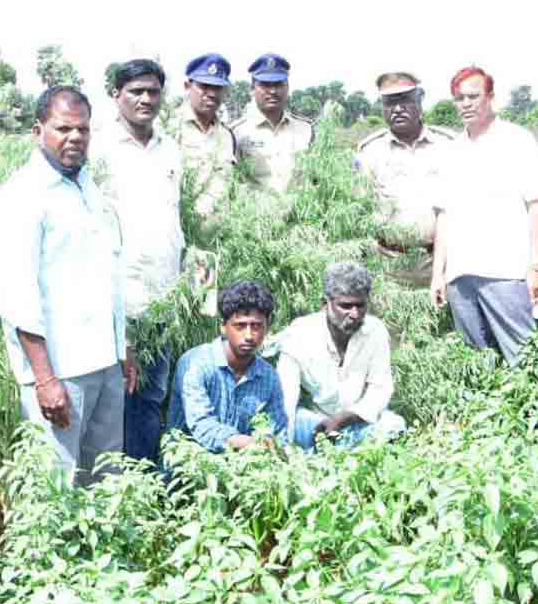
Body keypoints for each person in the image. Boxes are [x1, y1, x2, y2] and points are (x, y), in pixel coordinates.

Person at [0, 86, 134, 486]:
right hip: (61, 370)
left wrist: (122, 349)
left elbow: (109, 275)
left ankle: (101, 550)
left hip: (103, 362)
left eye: (82, 130)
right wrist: (46, 380)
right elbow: (17, 296)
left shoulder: (89, 189)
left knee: (105, 479)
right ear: (38, 132)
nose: (74, 138)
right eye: (63, 129)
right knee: (56, 484)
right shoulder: (21, 197)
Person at [89, 60, 184, 463]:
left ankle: (143, 482)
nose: (146, 99)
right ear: (116, 96)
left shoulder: (170, 149)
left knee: (151, 398)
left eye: (153, 91)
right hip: (118, 300)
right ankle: (112, 487)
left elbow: (176, 221)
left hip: (163, 298)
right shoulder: (97, 148)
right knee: (114, 399)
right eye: (136, 92)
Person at [431, 67, 538, 364]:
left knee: (523, 358)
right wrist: (438, 274)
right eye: (459, 98)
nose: (466, 104)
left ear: (491, 97)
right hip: (460, 276)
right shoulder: (450, 149)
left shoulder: (517, 140)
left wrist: (536, 266)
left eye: (473, 96)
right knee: (476, 363)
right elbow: (444, 215)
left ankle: (537, 412)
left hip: (506, 273)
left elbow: (537, 206)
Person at [276, 262, 405, 449]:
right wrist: (284, 446)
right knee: (294, 424)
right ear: (325, 304)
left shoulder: (375, 331)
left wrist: (344, 418)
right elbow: (286, 397)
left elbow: (381, 389)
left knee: (393, 425)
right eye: (345, 306)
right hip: (316, 422)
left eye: (360, 306)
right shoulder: (299, 333)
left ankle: (335, 452)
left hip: (358, 420)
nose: (354, 314)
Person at [353, 71, 455, 286]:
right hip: (389, 265)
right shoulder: (370, 151)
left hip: (441, 262)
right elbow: (360, 214)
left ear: (419, 102)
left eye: (405, 101)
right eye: (390, 103)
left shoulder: (448, 145)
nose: (397, 109)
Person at [165, 281, 287, 453]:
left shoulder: (268, 376)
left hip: (244, 467)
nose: (249, 335)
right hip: (187, 466)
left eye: (257, 326)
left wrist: (270, 444)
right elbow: (202, 427)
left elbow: (278, 432)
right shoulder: (196, 363)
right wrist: (249, 443)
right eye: (240, 326)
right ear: (223, 326)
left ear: (267, 327)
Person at [231, 54, 314, 193]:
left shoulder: (306, 131)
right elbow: (231, 184)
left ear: (287, 87)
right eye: (265, 85)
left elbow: (316, 179)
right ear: (252, 89)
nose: (272, 91)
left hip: (301, 214)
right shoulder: (237, 133)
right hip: (254, 214)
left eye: (278, 84)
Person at [174, 54, 237, 220]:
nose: (211, 93)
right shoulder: (169, 129)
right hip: (182, 232)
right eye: (204, 86)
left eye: (217, 88)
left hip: (220, 235)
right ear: (187, 86)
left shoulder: (227, 136)